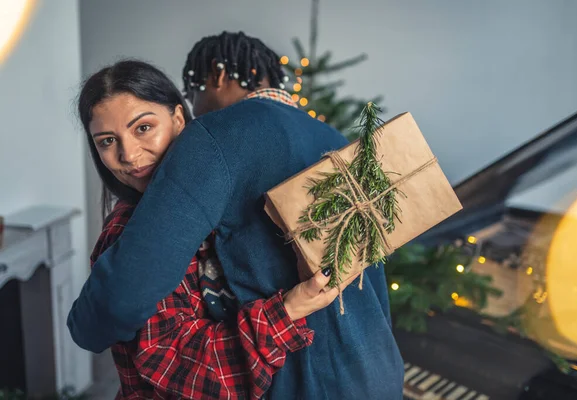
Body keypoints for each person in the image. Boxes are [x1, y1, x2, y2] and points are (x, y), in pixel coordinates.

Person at [70, 32, 404, 399]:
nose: (195, 107)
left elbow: (120, 300)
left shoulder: (213, 135)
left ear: (216, 75)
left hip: (302, 377)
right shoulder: (334, 137)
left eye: (192, 91)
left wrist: (83, 326)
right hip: (378, 365)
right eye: (106, 141)